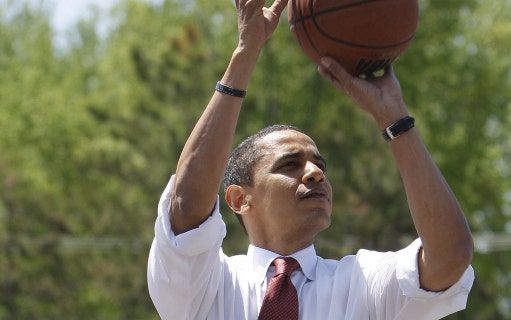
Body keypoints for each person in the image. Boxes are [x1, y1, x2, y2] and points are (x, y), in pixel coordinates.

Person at [147, 0, 475, 319]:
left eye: (321, 165)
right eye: (289, 164)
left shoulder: (363, 283)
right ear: (239, 199)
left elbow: (450, 258)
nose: (315, 173)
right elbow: (187, 204)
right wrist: (246, 52)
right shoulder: (207, 288)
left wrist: (395, 119)